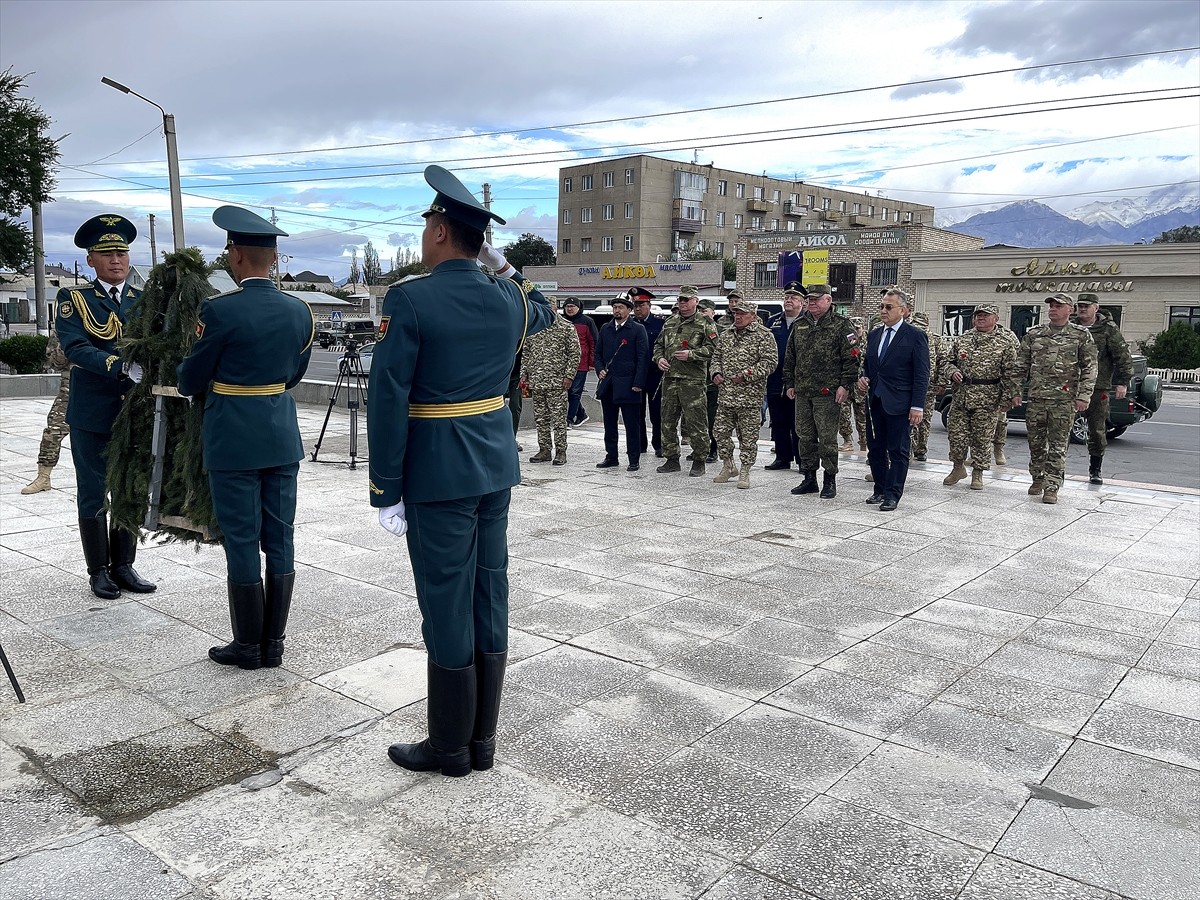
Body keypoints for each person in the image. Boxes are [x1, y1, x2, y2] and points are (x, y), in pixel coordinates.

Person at [367, 165, 554, 777]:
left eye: (429, 226)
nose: (424, 237)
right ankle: (482, 742)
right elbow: (545, 310)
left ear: (442, 233)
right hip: (495, 464)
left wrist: (385, 489)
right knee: (488, 592)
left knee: (446, 601)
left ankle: (449, 747)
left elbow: (389, 397)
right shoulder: (509, 300)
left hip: (438, 470)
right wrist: (504, 269)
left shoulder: (411, 298)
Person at [176, 208, 313, 669]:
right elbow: (294, 376)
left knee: (240, 539)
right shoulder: (300, 311)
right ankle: (273, 644)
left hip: (232, 436)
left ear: (235, 256)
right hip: (280, 435)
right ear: (273, 259)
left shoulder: (218, 311)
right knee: (280, 537)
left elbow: (191, 380)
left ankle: (248, 645)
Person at [54, 215, 156, 600]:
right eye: (106, 253)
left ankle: (124, 565)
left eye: (122, 252)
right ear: (90, 260)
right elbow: (76, 347)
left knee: (131, 487)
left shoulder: (142, 300)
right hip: (93, 410)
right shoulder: (73, 299)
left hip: (135, 411)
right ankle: (98, 570)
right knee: (94, 489)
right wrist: (120, 367)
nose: (116, 260)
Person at [1014, 293, 1097, 504]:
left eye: (1058, 306)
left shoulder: (1080, 335)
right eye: (1051, 305)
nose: (1053, 309)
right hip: (1037, 399)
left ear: (1071, 309)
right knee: (1036, 443)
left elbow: (1089, 367)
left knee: (1058, 445)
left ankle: (1052, 486)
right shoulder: (1035, 334)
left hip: (1064, 400)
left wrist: (1084, 395)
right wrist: (1014, 391)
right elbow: (1020, 366)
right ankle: (1037, 478)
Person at [782, 284, 859, 499]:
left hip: (828, 393)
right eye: (810, 299)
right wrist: (789, 383)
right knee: (805, 436)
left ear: (828, 300)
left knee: (826, 438)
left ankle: (829, 479)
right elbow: (790, 357)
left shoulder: (842, 325)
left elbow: (853, 358)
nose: (812, 303)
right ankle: (809, 477)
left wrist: (846, 384)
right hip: (803, 391)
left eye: (816, 299)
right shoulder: (800, 325)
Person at [860, 288, 929, 511]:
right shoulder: (875, 335)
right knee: (875, 448)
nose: (883, 311)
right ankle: (879, 489)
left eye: (889, 307)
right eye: (881, 306)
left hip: (900, 402)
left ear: (904, 311)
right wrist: (863, 379)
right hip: (876, 400)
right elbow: (869, 367)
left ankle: (893, 494)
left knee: (898, 450)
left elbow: (921, 374)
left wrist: (917, 406)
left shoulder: (915, 336)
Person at [942, 305, 1019, 491]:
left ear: (996, 318)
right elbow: (947, 361)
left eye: (985, 315)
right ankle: (958, 468)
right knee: (956, 436)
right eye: (978, 315)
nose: (980, 318)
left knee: (982, 439)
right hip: (962, 397)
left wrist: (1008, 398)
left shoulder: (1005, 342)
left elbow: (1011, 373)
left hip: (988, 398)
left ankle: (978, 473)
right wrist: (952, 372)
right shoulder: (964, 339)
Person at [652, 285, 719, 476]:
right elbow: (658, 345)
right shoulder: (670, 322)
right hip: (670, 378)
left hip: (693, 380)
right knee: (668, 420)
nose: (682, 303)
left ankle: (699, 460)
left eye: (686, 300)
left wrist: (692, 354)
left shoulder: (705, 322)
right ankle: (672, 458)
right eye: (680, 300)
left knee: (696, 422)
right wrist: (660, 359)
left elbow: (715, 349)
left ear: (695, 301)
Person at [711, 301, 778, 489]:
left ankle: (745, 471)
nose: (738, 317)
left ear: (753, 316)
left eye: (742, 314)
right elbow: (716, 357)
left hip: (749, 397)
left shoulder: (764, 336)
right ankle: (728, 466)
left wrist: (747, 375)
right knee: (719, 432)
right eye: (735, 313)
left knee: (747, 437)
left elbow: (770, 362)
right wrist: (715, 373)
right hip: (726, 395)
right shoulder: (726, 335)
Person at [1072, 293, 1133, 485]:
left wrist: (1122, 382)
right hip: (1069, 386)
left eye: (1086, 306)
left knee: (1097, 430)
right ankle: (1058, 469)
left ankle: (1095, 469)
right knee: (1060, 428)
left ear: (1096, 308)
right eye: (1080, 305)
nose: (1082, 309)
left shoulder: (1107, 329)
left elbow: (1122, 356)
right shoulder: (1070, 326)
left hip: (1098, 387)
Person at [594, 294, 650, 471]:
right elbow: (598, 354)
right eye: (615, 307)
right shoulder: (605, 328)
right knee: (609, 424)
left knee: (631, 425)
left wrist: (638, 383)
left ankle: (634, 458)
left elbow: (643, 358)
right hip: (609, 384)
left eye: (621, 307)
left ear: (629, 310)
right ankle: (611, 456)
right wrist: (600, 369)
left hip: (629, 384)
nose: (617, 310)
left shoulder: (637, 329)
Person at [521, 301, 580, 466]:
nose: (547, 310)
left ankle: (561, 451)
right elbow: (526, 352)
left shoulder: (566, 327)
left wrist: (569, 376)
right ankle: (544, 449)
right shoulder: (534, 326)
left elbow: (575, 353)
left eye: (550, 307)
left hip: (557, 381)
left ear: (555, 308)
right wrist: (524, 374)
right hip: (537, 381)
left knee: (559, 418)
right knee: (540, 418)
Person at [21, 325, 72, 494]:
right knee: (54, 430)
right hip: (71, 389)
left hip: (103, 385)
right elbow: (54, 361)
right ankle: (43, 477)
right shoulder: (66, 325)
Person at [764, 283, 804, 470]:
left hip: (798, 381)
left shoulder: (807, 322)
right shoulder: (773, 321)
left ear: (802, 303)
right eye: (787, 297)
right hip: (775, 379)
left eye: (794, 298)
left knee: (798, 423)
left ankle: (802, 459)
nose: (789, 300)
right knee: (778, 420)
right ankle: (782, 457)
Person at [908, 311, 949, 462]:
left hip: (925, 386)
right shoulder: (934, 338)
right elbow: (943, 362)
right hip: (923, 385)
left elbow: (943, 361)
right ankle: (918, 449)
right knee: (923, 418)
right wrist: (941, 382)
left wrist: (941, 381)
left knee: (916, 418)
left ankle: (917, 449)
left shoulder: (935, 340)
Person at [630, 288, 664, 457]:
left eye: (641, 305)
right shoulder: (629, 325)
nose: (637, 309)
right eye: (635, 305)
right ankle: (639, 444)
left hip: (655, 374)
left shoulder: (660, 323)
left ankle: (659, 444)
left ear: (649, 305)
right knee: (637, 412)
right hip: (635, 375)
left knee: (657, 412)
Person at [562, 297, 597, 427]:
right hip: (564, 363)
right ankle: (581, 414)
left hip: (581, 363)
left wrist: (592, 362)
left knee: (575, 391)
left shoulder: (587, 321)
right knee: (567, 391)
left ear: (579, 308)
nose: (570, 309)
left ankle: (569, 419)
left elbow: (593, 342)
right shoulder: (561, 321)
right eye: (567, 306)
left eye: (573, 306)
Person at [698, 296, 722, 463]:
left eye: (705, 311)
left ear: (713, 312)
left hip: (711, 380)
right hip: (695, 380)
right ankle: (699, 448)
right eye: (699, 311)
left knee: (712, 417)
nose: (702, 314)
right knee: (697, 417)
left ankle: (713, 448)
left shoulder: (719, 330)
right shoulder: (694, 328)